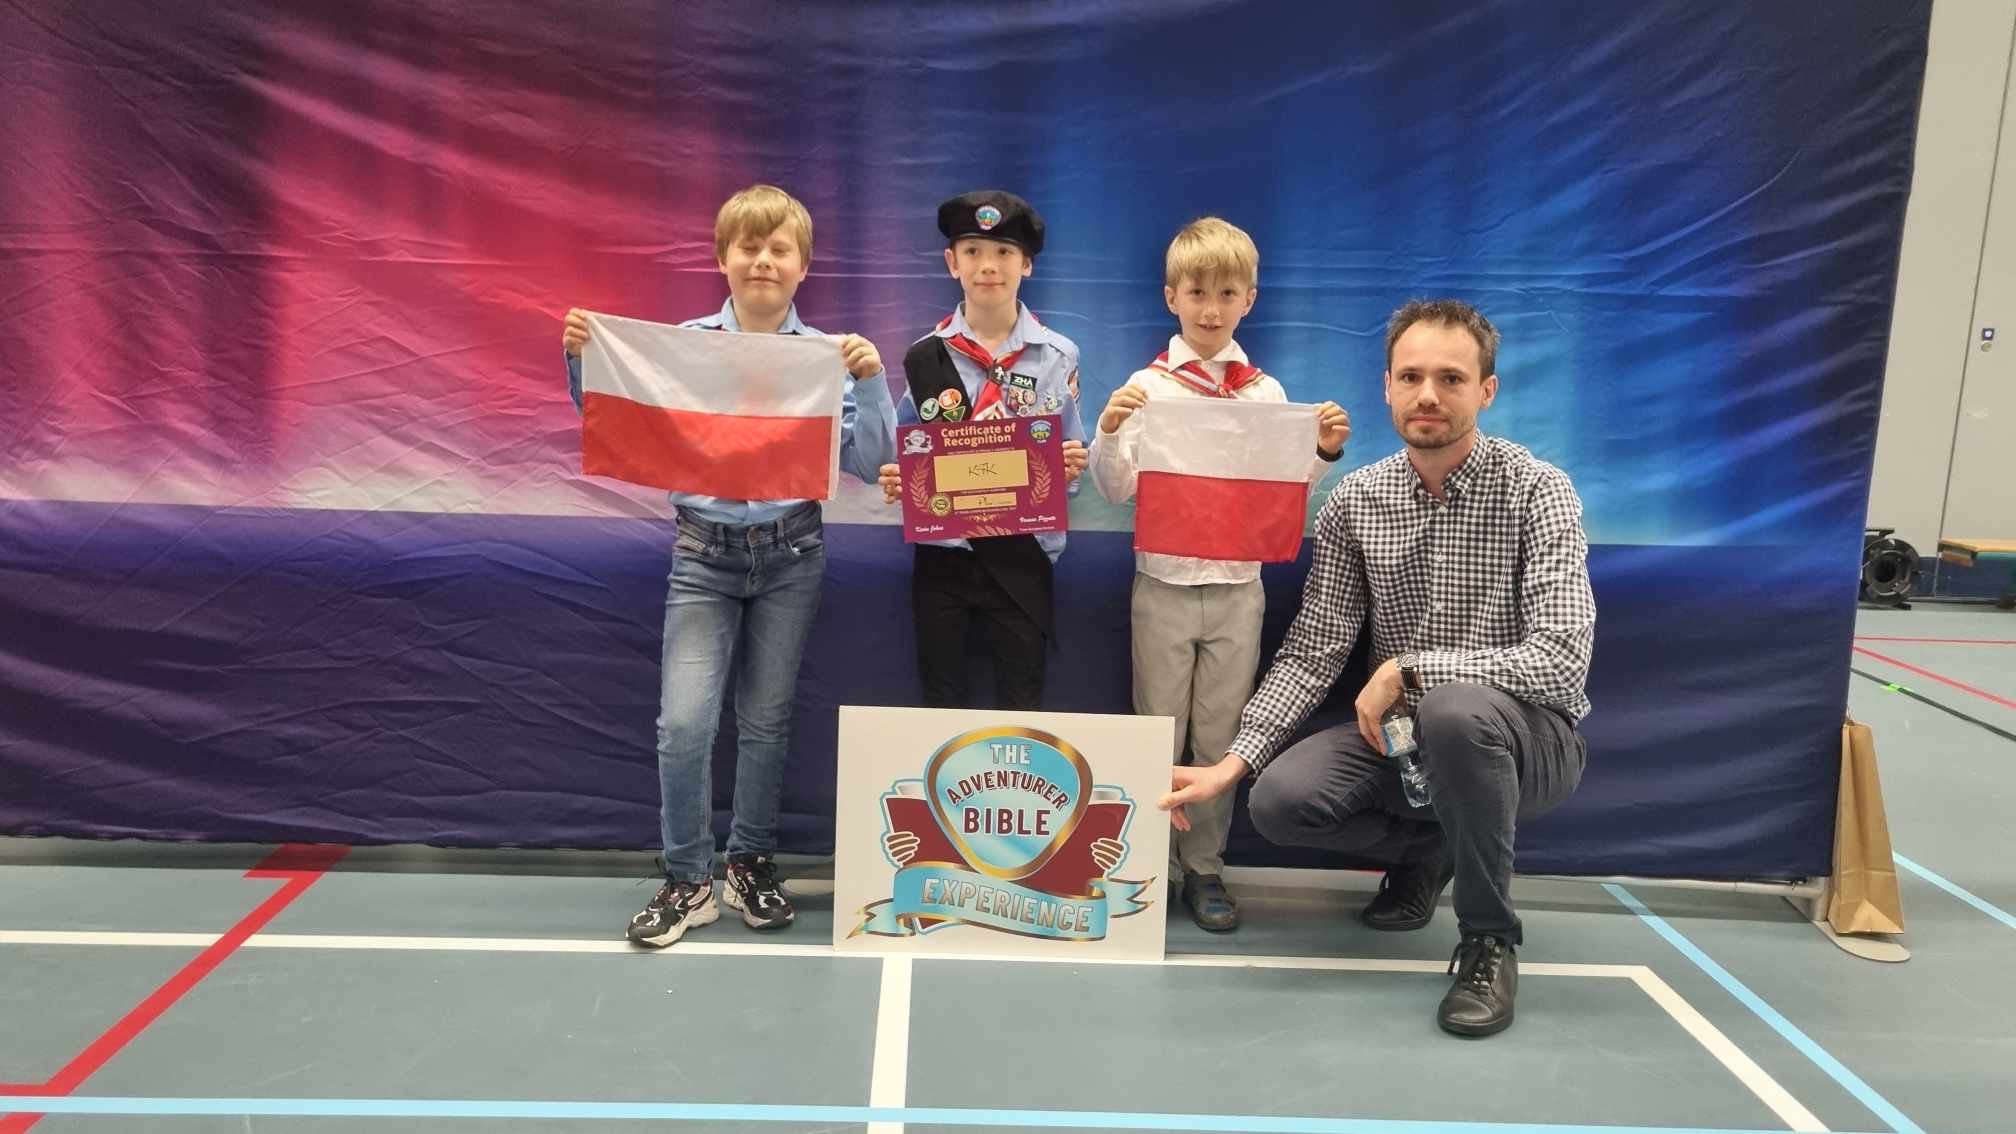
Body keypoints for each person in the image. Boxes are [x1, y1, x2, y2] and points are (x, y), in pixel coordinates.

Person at [1159, 299, 1594, 1036]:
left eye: (1451, 379)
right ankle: (1433, 851)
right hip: (1402, 742)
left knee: (1454, 709)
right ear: (1387, 386)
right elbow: (1314, 649)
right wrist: (1230, 766)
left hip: (1529, 741)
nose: (1429, 395)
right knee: (1281, 802)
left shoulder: (1539, 490)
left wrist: (1411, 670)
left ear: (1487, 391)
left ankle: (1489, 942)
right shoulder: (1357, 500)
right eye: (1412, 377)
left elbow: (1561, 662)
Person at [561, 184, 896, 947]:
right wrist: (583, 360)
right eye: (749, 247)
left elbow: (870, 460)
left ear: (804, 266)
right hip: (702, 556)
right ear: (723, 259)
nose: (763, 261)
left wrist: (873, 382)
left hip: (792, 555)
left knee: (765, 722)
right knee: (683, 723)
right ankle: (688, 878)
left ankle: (748, 862)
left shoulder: (827, 359)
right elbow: (615, 418)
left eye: (780, 249)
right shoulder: (685, 347)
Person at [1088, 216, 1349, 931]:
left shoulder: (1265, 394)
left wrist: (1321, 454)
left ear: (1249, 300)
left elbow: (1279, 499)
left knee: (1221, 735)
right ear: (1171, 296)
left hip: (1239, 590)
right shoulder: (1146, 386)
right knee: (1156, 729)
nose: (1210, 309)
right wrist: (1107, 433)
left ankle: (1204, 868)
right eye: (1197, 292)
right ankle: (1147, 866)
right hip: (1163, 586)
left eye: (1227, 293)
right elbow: (1115, 488)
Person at [876, 190, 1088, 709]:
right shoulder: (924, 358)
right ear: (952, 263)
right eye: (972, 251)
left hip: (1024, 557)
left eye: (1004, 252)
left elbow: (1070, 462)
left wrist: (1068, 468)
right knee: (940, 704)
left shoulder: (1059, 356)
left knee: (1021, 704)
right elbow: (908, 450)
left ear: (1026, 264)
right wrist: (899, 478)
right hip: (944, 558)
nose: (988, 265)